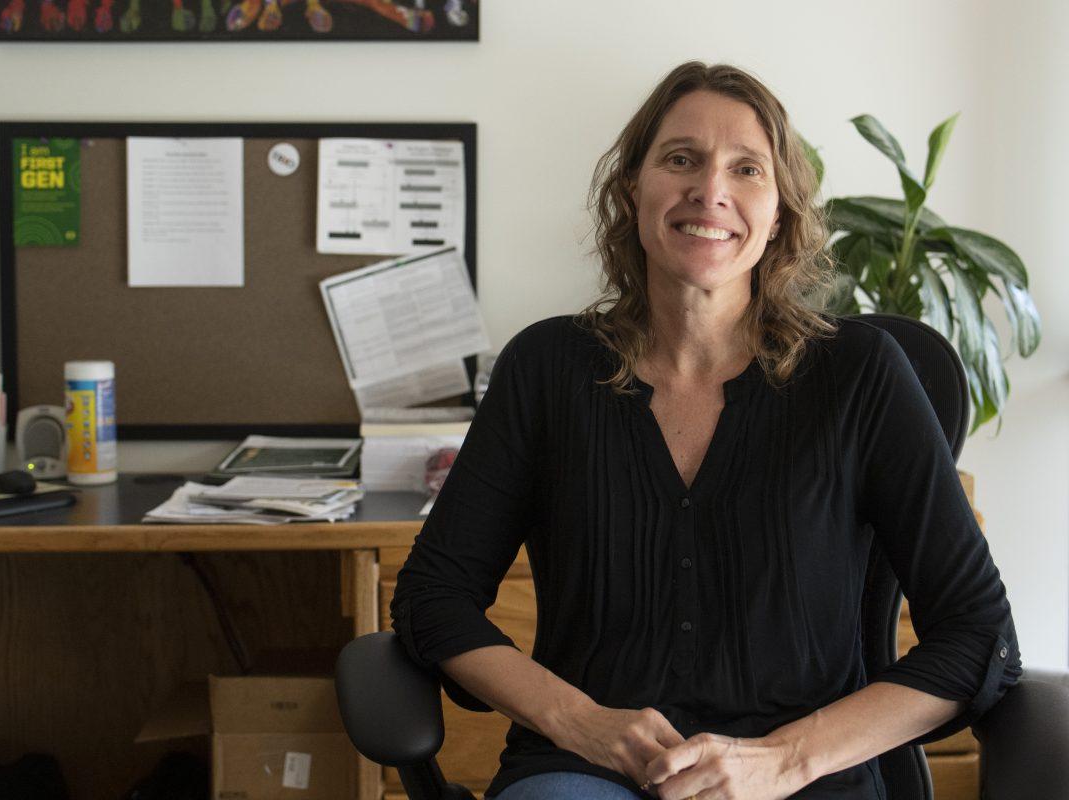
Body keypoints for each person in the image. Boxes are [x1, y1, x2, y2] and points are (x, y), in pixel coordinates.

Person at [389, 61, 1022, 800]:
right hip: (584, 774)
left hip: (803, 781)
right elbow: (434, 596)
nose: (709, 190)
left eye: (746, 168)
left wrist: (784, 759)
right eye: (681, 159)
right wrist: (582, 720)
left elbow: (978, 633)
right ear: (633, 188)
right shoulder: (547, 369)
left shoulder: (860, 375)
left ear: (779, 208)